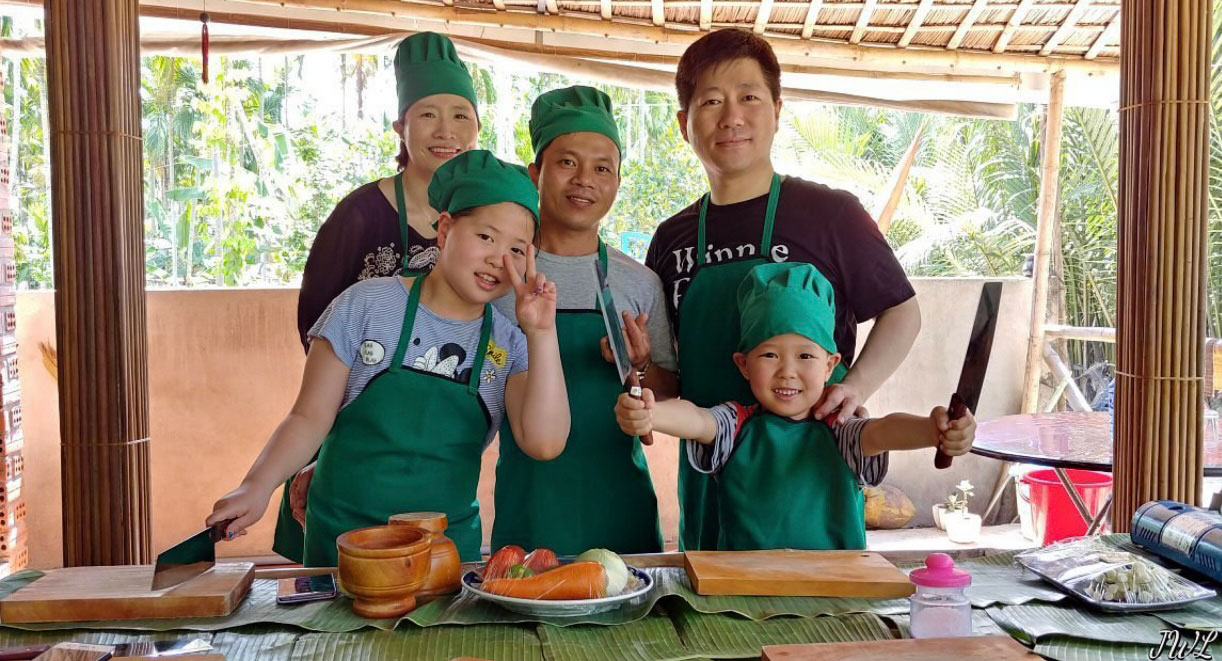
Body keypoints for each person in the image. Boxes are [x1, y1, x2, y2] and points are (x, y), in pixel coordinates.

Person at [209, 150, 569, 565]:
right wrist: (257, 485)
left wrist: (542, 332)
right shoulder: (364, 306)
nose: (497, 259)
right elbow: (308, 417)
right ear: (446, 229)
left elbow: (544, 442)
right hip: (340, 548)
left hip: (443, 558)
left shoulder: (510, 345)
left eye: (518, 250)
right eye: (485, 237)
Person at [646, 28, 922, 550]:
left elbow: (902, 311)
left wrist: (855, 388)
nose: (732, 117)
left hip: (810, 479)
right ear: (685, 124)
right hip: (711, 464)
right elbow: (669, 375)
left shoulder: (831, 215)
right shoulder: (671, 239)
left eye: (749, 97)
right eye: (711, 101)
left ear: (776, 109)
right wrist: (639, 370)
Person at [275, 32, 482, 563]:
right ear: (400, 127)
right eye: (428, 115)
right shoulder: (359, 216)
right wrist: (334, 443)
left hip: (439, 462)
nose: (446, 131)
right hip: (349, 439)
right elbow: (316, 328)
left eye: (461, 115)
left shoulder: (484, 223)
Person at [615, 263, 973, 550]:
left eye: (805, 356)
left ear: (830, 365)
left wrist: (931, 429)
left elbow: (883, 430)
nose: (788, 372)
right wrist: (651, 413)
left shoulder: (841, 430)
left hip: (834, 596)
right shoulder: (735, 426)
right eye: (769, 355)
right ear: (743, 364)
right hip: (744, 594)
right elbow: (696, 420)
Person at [490, 86, 678, 555]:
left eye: (602, 168)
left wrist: (636, 369)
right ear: (536, 173)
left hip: (620, 505)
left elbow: (667, 396)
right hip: (529, 504)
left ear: (617, 182)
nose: (584, 181)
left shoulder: (639, 283)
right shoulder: (501, 279)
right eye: (567, 162)